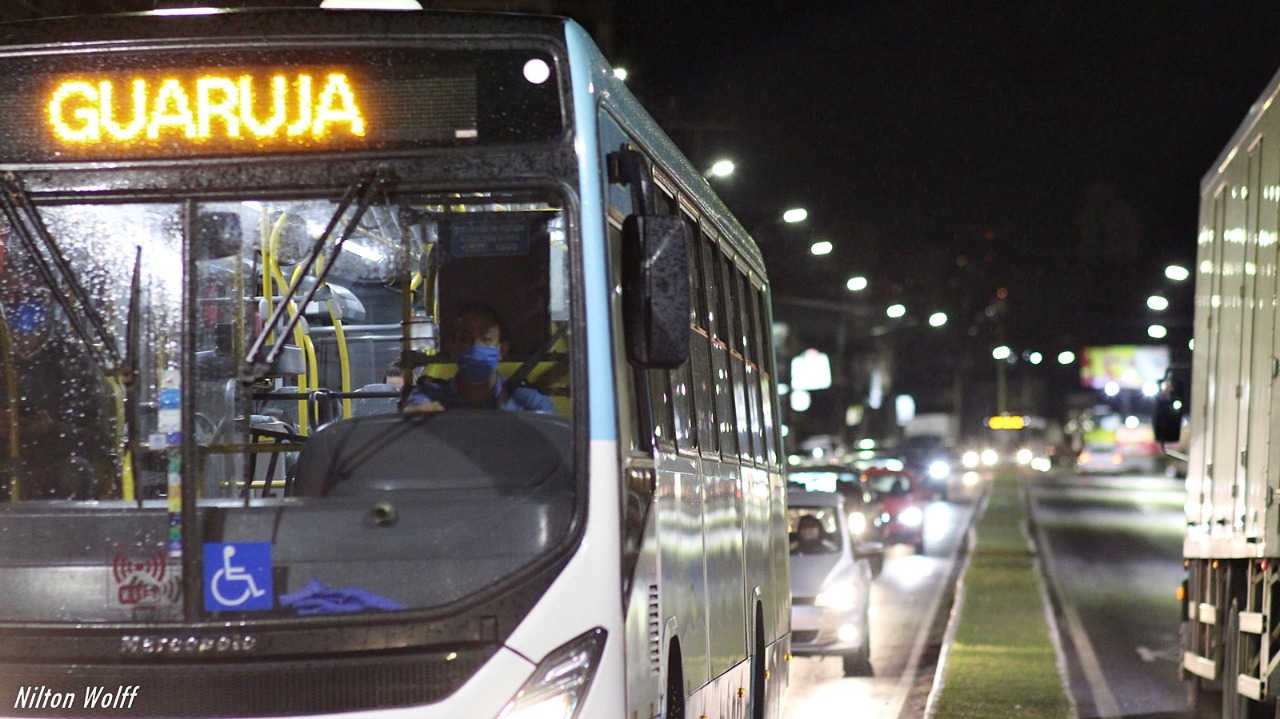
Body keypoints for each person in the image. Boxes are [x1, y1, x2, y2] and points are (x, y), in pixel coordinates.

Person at [0, 259, 115, 499]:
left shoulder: (74, 361)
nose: (22, 303)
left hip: (52, 471)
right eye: (13, 296)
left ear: (49, 299)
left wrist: (53, 429)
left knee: (77, 472)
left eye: (31, 296)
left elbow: (99, 442)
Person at [404, 303, 553, 413]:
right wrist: (417, 413)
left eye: (486, 339)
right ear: (452, 348)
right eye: (465, 339)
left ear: (502, 349)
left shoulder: (528, 403)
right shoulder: (430, 395)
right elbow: (414, 414)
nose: (475, 345)